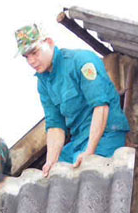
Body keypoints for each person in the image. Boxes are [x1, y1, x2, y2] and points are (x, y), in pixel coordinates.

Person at [15, 23, 130, 176]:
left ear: (49, 42)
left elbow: (101, 106)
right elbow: (55, 125)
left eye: (34, 52)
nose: (31, 61)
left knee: (87, 176)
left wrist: (90, 152)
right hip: (78, 141)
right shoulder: (43, 82)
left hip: (106, 136)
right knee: (55, 175)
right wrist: (50, 162)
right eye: (26, 57)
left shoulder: (82, 61)